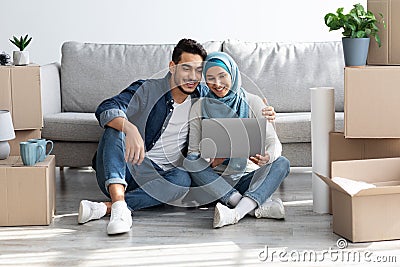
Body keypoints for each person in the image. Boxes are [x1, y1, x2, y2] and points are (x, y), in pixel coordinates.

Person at [77, 39, 276, 235]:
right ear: (172, 67)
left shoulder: (202, 95)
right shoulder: (147, 89)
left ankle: (107, 208)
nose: (192, 77)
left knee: (183, 179)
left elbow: (233, 92)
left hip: (164, 179)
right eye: (186, 69)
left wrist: (263, 109)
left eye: (198, 71)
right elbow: (108, 107)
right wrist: (130, 128)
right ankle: (119, 206)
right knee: (116, 130)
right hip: (127, 169)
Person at [183, 51, 290, 228]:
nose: (217, 84)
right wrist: (211, 161)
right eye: (210, 78)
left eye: (222, 76)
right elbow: (193, 153)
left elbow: (274, 142)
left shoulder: (253, 102)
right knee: (191, 162)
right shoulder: (199, 107)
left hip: (247, 176)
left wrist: (267, 157)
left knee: (282, 163)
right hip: (215, 181)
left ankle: (235, 212)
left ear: (232, 73)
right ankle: (251, 205)